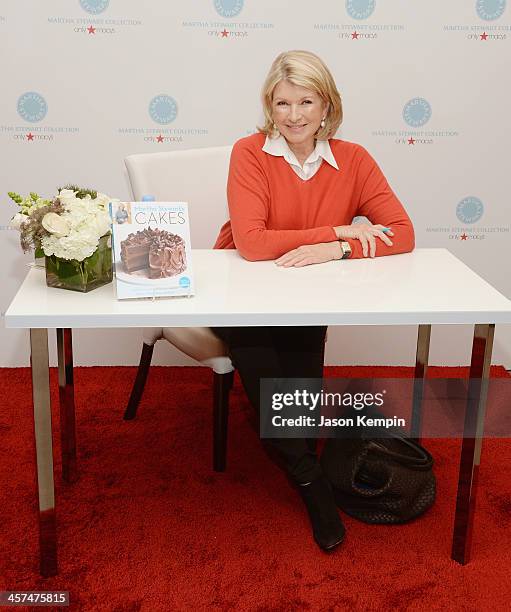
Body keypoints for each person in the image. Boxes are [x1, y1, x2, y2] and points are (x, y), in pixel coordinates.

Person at [211, 50, 414, 552]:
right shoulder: (249, 152)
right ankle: (312, 482)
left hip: (308, 294)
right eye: (283, 103)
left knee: (293, 411)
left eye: (307, 101)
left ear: (327, 105)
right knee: (279, 401)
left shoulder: (356, 159)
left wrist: (335, 248)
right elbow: (253, 244)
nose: (295, 115)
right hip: (245, 294)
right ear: (269, 106)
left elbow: (403, 233)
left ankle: (302, 460)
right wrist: (339, 229)